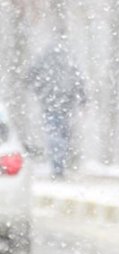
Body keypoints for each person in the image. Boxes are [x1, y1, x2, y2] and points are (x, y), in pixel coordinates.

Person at [27, 42, 86, 179]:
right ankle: (59, 165)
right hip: (65, 103)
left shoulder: (45, 58)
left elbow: (31, 75)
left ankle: (57, 165)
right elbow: (78, 79)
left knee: (54, 134)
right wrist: (83, 98)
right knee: (62, 134)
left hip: (50, 102)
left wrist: (38, 90)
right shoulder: (68, 59)